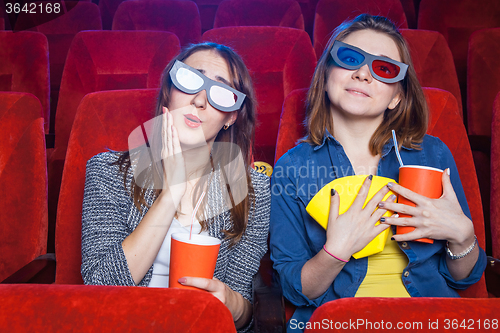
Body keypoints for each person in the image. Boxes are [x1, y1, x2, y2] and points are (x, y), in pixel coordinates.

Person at [269, 14, 487, 331]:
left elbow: (466, 276)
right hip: (341, 321)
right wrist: (336, 251)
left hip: (430, 320)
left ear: (397, 96)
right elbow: (294, 290)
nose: (362, 74)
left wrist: (462, 236)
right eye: (349, 58)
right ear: (327, 76)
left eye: (383, 68)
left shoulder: (432, 154)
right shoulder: (292, 168)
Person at [81, 43, 271, 332]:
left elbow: (243, 314)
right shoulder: (107, 171)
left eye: (220, 92)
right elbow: (100, 286)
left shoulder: (253, 190)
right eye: (191, 79)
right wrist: (170, 193)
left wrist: (231, 302)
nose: (199, 100)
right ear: (169, 91)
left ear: (230, 117)